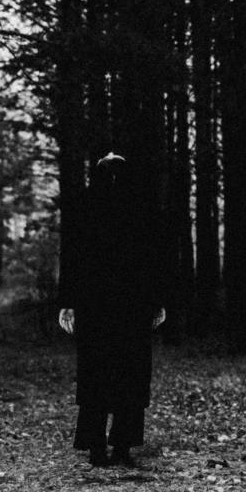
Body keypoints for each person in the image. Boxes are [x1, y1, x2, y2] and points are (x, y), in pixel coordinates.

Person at [58, 151, 166, 468]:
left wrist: (68, 301)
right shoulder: (140, 206)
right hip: (127, 305)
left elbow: (72, 256)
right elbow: (154, 258)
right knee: (125, 374)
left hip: (101, 304)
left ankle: (99, 446)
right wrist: (157, 300)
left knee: (100, 374)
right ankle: (119, 446)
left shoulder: (86, 205)